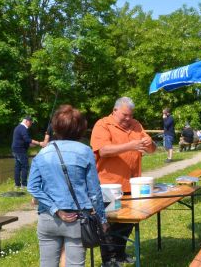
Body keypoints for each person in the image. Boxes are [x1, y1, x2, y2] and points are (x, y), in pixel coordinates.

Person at [27, 105, 108, 267]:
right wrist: (102, 219)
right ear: (81, 128)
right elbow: (94, 192)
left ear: (56, 127)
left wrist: (55, 209)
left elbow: (33, 187)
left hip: (48, 219)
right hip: (77, 220)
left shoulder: (43, 153)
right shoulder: (85, 151)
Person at [90, 97, 156, 267]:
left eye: (130, 115)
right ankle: (108, 260)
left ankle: (119, 254)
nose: (128, 119)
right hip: (108, 185)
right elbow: (103, 150)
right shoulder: (103, 125)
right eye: (125, 115)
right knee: (109, 224)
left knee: (128, 223)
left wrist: (150, 143)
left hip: (132, 184)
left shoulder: (136, 125)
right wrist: (131, 145)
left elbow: (151, 150)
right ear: (115, 110)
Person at [11, 115, 42, 190]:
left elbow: (24, 140)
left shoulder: (18, 127)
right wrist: (39, 143)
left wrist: (32, 145)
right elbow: (27, 139)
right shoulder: (23, 128)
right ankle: (24, 185)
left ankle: (17, 184)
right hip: (20, 150)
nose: (31, 125)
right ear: (26, 121)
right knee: (25, 166)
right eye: (30, 123)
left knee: (17, 167)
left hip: (15, 149)